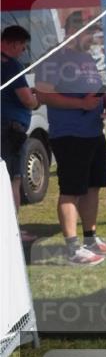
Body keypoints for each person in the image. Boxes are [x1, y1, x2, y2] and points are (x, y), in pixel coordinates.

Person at [35, 11, 106, 266]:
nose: (94, 38)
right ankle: (72, 248)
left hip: (93, 131)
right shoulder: (54, 57)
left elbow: (91, 89)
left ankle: (90, 238)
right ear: (75, 30)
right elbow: (43, 95)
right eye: (91, 32)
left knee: (93, 186)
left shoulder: (87, 59)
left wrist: (103, 100)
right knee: (71, 189)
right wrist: (80, 102)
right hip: (69, 134)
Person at [1, 25, 40, 244]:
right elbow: (26, 98)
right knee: (13, 181)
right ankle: (13, 230)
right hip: (8, 131)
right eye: (23, 47)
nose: (23, 52)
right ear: (13, 43)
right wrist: (37, 101)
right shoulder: (11, 65)